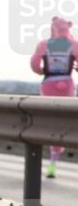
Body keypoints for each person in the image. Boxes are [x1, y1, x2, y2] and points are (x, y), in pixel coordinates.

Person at [30, 16, 78, 178]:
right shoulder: (73, 45)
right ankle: (53, 161)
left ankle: (40, 154)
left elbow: (35, 65)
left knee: (47, 121)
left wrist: (41, 71)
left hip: (49, 84)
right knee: (62, 122)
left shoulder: (44, 44)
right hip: (67, 84)